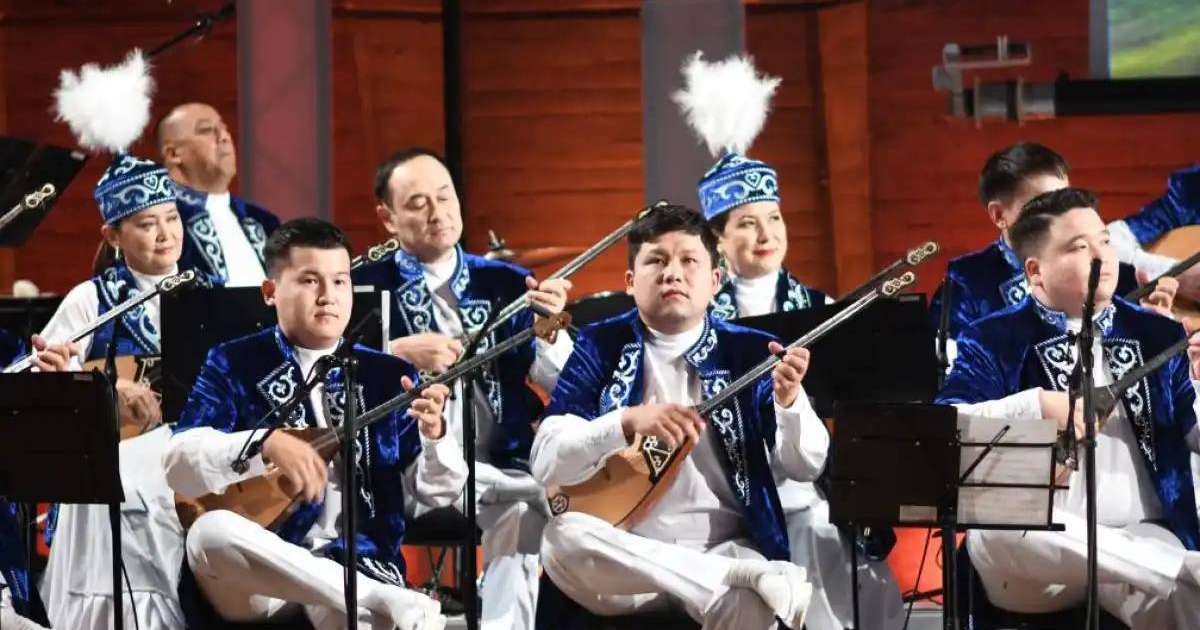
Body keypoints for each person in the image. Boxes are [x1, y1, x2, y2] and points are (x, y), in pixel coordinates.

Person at [676, 50, 900, 629]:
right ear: (719, 241)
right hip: (731, 474)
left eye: (774, 219)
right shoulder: (698, 318)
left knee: (831, 533)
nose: (765, 233)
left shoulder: (822, 309)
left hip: (811, 469)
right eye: (746, 223)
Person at [163, 218, 463, 630]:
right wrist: (263, 443)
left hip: (359, 562)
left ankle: (371, 595)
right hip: (263, 576)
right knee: (208, 534)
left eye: (340, 282)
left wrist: (436, 439)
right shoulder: (234, 361)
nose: (328, 297)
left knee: (349, 613)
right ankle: (381, 598)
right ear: (271, 292)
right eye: (309, 281)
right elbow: (178, 462)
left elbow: (435, 494)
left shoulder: (389, 375)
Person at [533, 204, 819, 629]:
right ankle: (734, 577)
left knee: (752, 606)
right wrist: (625, 422)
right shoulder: (601, 344)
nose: (672, 273)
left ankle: (731, 574)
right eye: (656, 260)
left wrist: (790, 403)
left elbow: (807, 464)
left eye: (689, 261)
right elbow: (545, 462)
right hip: (625, 561)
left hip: (724, 546)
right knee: (562, 539)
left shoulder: (751, 350)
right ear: (630, 282)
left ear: (715, 281)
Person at [938, 187, 1200, 628]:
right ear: (1036, 272)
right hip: (1033, 552)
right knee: (1003, 529)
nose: (1103, 254)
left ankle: (1177, 569)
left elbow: (1192, 432)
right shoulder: (992, 337)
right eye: (1080, 247)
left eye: (1104, 240)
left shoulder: (1157, 333)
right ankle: (1180, 567)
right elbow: (944, 429)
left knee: (1183, 597)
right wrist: (1035, 406)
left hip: (1141, 534)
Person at [352, 147, 573, 630]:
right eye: (417, 204)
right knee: (533, 495)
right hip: (407, 468)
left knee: (521, 506)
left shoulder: (508, 282)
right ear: (387, 218)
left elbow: (562, 383)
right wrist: (396, 349)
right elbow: (328, 373)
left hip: (498, 463)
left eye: (445, 196)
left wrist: (552, 334)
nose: (437, 213)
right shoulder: (359, 286)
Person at [36, 154, 188, 630]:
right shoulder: (91, 299)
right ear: (113, 236)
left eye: (171, 218)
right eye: (147, 224)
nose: (165, 234)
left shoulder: (208, 294)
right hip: (113, 464)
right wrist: (104, 384)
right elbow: (45, 379)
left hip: (184, 463)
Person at [930, 143, 1177, 351]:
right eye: (1042, 204)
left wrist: (1158, 333)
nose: (1061, 214)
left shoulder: (1115, 275)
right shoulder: (965, 283)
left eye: (1065, 199)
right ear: (998, 215)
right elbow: (954, 380)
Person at [157, 102, 280, 286]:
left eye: (224, 129)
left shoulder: (264, 221)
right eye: (207, 130)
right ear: (173, 153)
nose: (224, 137)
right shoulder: (158, 223)